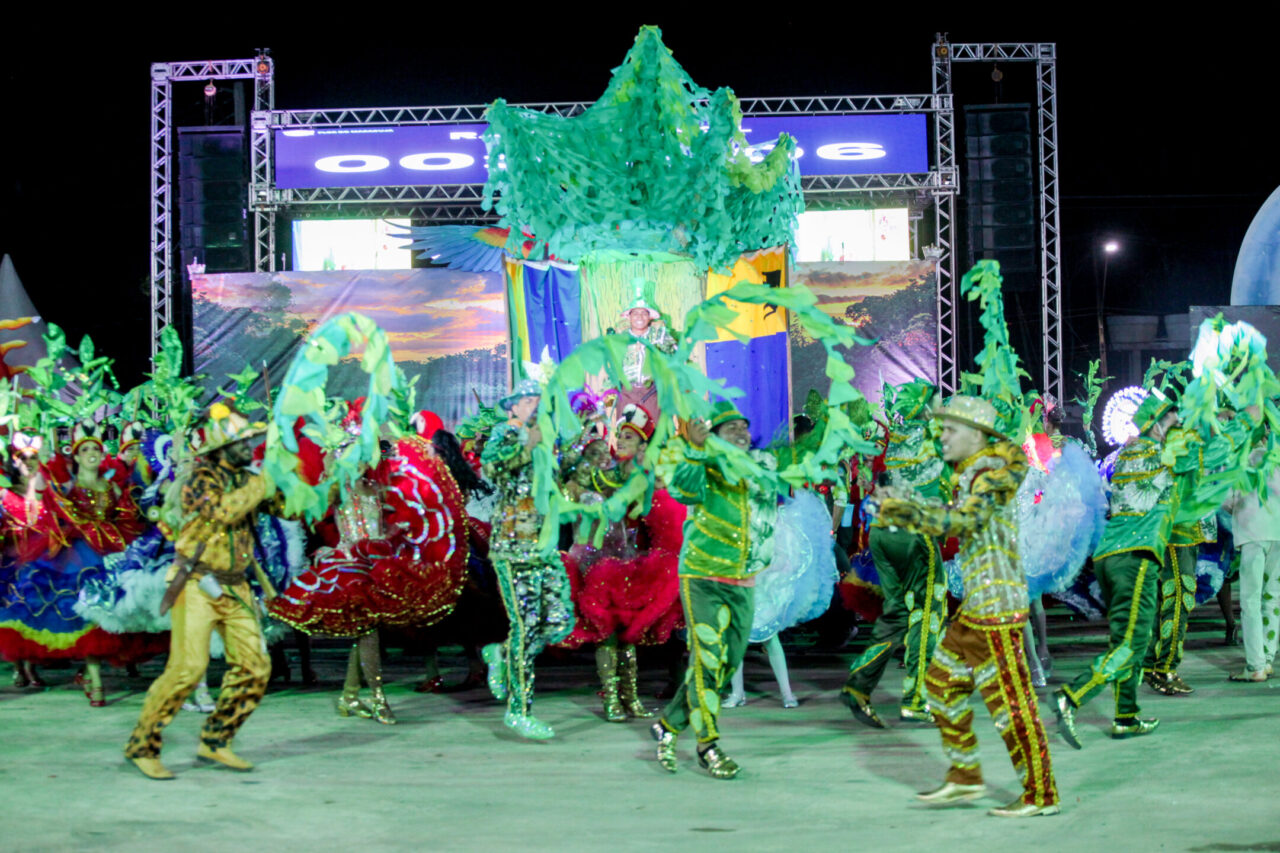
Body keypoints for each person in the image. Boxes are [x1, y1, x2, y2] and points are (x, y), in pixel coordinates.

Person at [874, 395, 1060, 818]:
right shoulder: (974, 473)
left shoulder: (990, 475)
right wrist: (911, 505)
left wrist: (907, 511)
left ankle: (1041, 794)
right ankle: (965, 776)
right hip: (977, 606)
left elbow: (964, 521)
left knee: (1010, 704)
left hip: (997, 610)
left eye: (950, 430)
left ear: (976, 435)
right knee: (940, 684)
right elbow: (956, 515)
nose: (942, 436)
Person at [124, 404, 273, 780]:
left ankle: (216, 740)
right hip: (196, 583)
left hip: (236, 586)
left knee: (255, 667)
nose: (250, 447)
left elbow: (287, 508)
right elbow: (223, 511)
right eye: (242, 442)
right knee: (187, 669)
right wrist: (264, 481)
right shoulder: (199, 478)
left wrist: (313, 474)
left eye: (251, 440)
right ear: (222, 447)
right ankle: (142, 746)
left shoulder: (249, 478)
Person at [1053, 392, 1180, 749]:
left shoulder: (1123, 456)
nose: (1179, 428)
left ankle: (1126, 716)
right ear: (1156, 425)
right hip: (1135, 556)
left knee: (1124, 640)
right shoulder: (1163, 455)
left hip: (1110, 554)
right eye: (1172, 422)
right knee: (1134, 642)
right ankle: (1072, 696)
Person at [650, 402, 768, 780]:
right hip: (703, 574)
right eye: (730, 428)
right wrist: (697, 451)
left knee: (729, 662)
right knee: (707, 660)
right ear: (713, 436)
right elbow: (683, 489)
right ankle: (707, 745)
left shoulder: (755, 468)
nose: (741, 432)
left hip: (743, 577)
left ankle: (668, 725)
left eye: (743, 426)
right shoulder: (702, 463)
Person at [841, 379, 946, 726]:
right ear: (925, 408)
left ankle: (859, 685)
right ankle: (916, 699)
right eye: (938, 402)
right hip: (915, 535)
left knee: (898, 613)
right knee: (927, 615)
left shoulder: (898, 438)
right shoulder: (933, 435)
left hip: (884, 533)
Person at [480, 379, 575, 740]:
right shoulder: (504, 433)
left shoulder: (548, 439)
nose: (535, 405)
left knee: (557, 620)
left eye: (539, 399)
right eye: (528, 400)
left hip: (543, 544)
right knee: (526, 626)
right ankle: (519, 711)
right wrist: (526, 447)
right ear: (513, 407)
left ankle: (500, 654)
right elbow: (491, 469)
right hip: (512, 544)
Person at [1222, 412, 1279, 682]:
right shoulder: (1276, 455)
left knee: (1250, 600)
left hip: (1252, 534)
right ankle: (1267, 659)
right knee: (1273, 598)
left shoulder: (1240, 457)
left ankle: (1255, 665)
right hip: (1278, 534)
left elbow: (1227, 500)